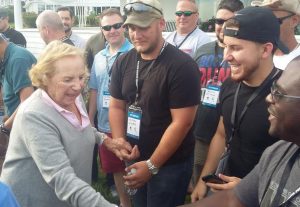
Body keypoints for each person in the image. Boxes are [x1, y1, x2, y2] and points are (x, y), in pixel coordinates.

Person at [0, 41, 133, 207]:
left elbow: (80, 126)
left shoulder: (70, 96)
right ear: (45, 78)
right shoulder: (34, 115)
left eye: (81, 77)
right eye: (68, 79)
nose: (78, 86)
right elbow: (62, 179)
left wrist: (106, 140)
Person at [109, 0, 200, 206]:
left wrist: (152, 165)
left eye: (143, 27)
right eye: (131, 28)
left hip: (170, 164)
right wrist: (120, 140)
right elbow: (116, 105)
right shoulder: (123, 61)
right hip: (135, 156)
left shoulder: (182, 66)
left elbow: (182, 123)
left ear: (160, 24)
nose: (136, 34)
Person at [191, 6, 285, 202]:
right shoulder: (229, 85)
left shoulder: (287, 98)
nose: (226, 56)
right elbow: (221, 133)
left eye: (236, 48)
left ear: (265, 49)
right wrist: (202, 180)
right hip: (225, 188)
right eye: (226, 46)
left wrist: (250, 187)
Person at [180, 55, 300, 207]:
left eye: (280, 93)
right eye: (273, 88)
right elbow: (232, 199)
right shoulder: (278, 153)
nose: (269, 98)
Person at [192, 0, 244, 187]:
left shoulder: (242, 56)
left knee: (220, 185)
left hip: (230, 138)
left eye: (228, 22)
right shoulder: (202, 51)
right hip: (201, 130)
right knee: (199, 179)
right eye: (219, 21)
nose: (222, 27)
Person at [88, 8, 133, 207]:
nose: (112, 30)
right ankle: (125, 203)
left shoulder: (135, 53)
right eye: (107, 27)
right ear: (102, 30)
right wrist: (90, 119)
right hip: (105, 122)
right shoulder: (99, 57)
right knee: (116, 166)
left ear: (124, 26)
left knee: (132, 164)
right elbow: (95, 90)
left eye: (117, 25)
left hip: (131, 122)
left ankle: (138, 200)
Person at [0, 34, 36, 172]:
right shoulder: (4, 58)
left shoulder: (18, 59)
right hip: (14, 122)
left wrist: (4, 129)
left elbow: (27, 102)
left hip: (27, 128)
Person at [252, 0, 300, 70]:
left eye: (272, 20)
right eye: (262, 20)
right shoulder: (256, 56)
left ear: (294, 21)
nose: (265, 25)